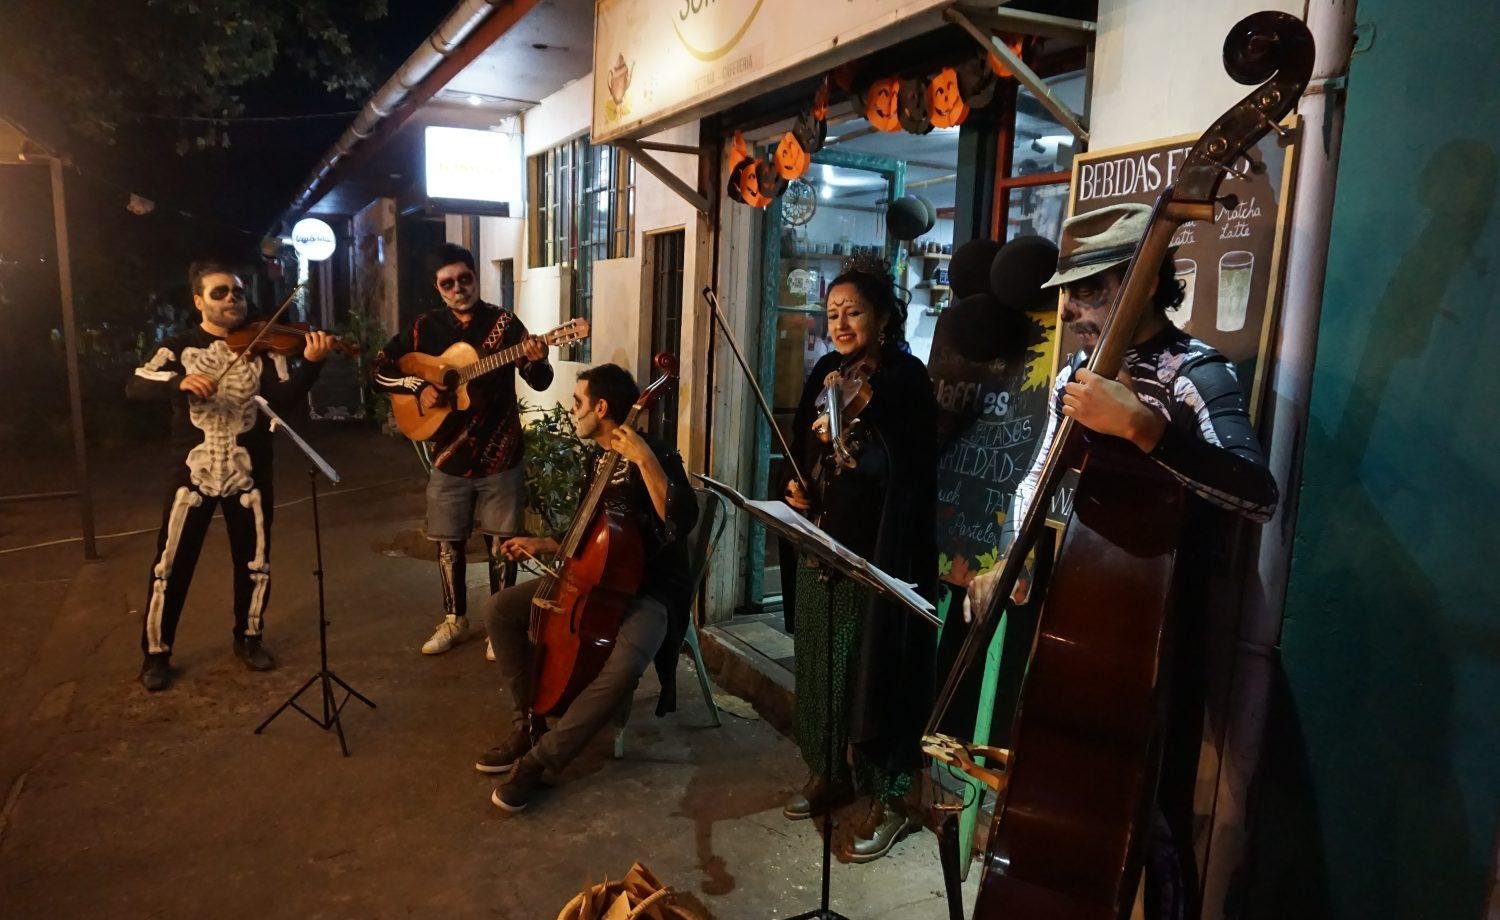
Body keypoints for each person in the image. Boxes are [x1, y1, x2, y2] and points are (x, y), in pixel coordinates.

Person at [965, 203, 1280, 918]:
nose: (1073, 309)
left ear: (1147, 283)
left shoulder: (1196, 371)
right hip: (1080, 606)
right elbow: (1041, 473)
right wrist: (1008, 562)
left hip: (1159, 627)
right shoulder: (1078, 368)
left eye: (1094, 291)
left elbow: (1257, 496)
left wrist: (1146, 429)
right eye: (1069, 293)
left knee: (1158, 812)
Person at [476, 363, 697, 813]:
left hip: (651, 592)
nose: (571, 410)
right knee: (501, 610)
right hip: (594, 578)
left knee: (622, 670)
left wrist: (646, 461)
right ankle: (529, 724)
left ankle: (539, 762)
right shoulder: (596, 458)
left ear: (601, 407)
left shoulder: (656, 453)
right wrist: (545, 542)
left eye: (577, 402)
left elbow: (681, 519)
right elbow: (591, 531)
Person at [778, 260, 938, 863]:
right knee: (820, 667)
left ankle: (890, 799)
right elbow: (802, 447)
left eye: (853, 313)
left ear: (882, 316)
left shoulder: (905, 380)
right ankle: (828, 773)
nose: (840, 324)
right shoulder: (824, 372)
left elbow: (909, 470)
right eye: (832, 314)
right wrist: (801, 487)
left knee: (875, 680)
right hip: (823, 543)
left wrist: (855, 441)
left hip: (877, 555)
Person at [128, 260, 333, 691]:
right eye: (219, 292)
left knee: (255, 563)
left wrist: (311, 364)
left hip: (249, 472)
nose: (231, 299)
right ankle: (157, 653)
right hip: (193, 471)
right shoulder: (178, 346)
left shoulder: (266, 349)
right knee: (170, 564)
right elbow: (136, 385)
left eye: (237, 292)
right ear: (198, 300)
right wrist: (179, 383)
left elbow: (285, 397)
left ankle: (249, 638)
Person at [371, 243, 553, 655]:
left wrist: (538, 359)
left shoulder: (505, 325)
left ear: (476, 277)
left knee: (502, 543)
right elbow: (380, 369)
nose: (458, 288)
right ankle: (454, 620)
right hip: (449, 457)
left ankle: (498, 627)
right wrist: (416, 385)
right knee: (447, 542)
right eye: (447, 283)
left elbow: (539, 380)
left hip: (501, 453)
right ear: (438, 289)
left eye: (464, 279)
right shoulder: (423, 328)